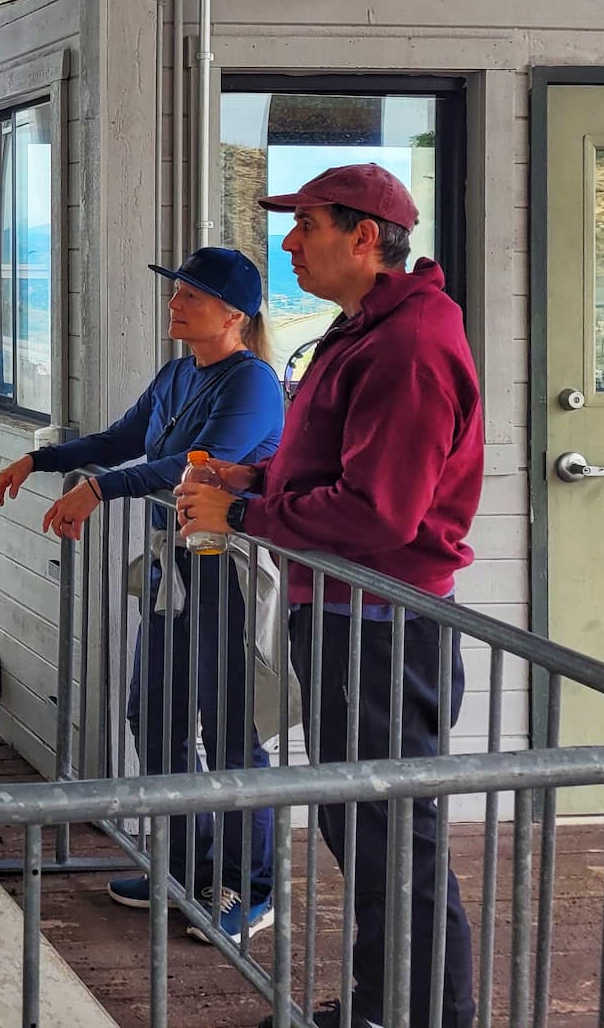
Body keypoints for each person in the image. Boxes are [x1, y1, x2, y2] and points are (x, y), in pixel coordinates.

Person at [176, 164, 479, 1028]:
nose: (289, 242)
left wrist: (243, 508)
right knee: (367, 829)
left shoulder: (409, 345)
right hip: (352, 618)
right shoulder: (364, 331)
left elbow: (379, 512)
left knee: (393, 835)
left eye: (305, 223)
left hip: (384, 624)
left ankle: (418, 1014)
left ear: (364, 236)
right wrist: (258, 475)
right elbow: (337, 467)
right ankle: (387, 1005)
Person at [0, 247, 285, 945]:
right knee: (153, 713)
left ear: (233, 314)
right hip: (175, 572)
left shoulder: (252, 385)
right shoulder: (179, 372)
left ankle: (250, 886)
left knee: (233, 731)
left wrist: (95, 489)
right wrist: (42, 459)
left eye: (191, 295)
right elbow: (124, 439)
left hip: (229, 576)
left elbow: (190, 469)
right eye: (176, 291)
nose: (175, 303)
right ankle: (184, 865)